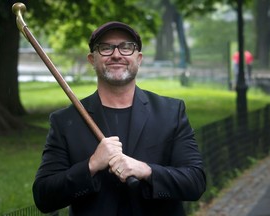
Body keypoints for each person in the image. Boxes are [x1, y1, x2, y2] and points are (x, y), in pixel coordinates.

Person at [32, 21, 206, 216]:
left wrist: (145, 170)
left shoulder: (170, 112)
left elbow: (195, 182)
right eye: (105, 48)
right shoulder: (65, 121)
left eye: (126, 47)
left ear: (139, 58)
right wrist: (91, 165)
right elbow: (43, 196)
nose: (116, 54)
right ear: (92, 59)